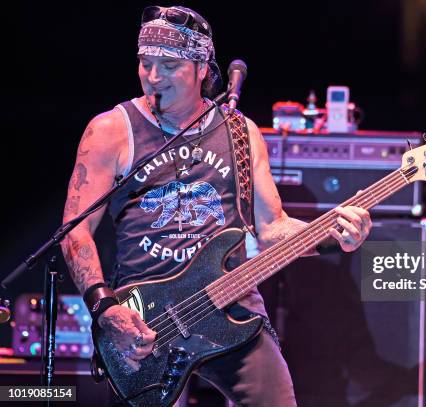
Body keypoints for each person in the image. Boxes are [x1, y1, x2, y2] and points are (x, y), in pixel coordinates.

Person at [60, 5, 372, 406]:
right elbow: (74, 227)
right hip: (145, 319)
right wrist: (104, 307)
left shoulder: (241, 132)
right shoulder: (111, 131)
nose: (154, 77)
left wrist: (333, 233)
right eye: (145, 63)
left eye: (169, 65)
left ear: (202, 67)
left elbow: (272, 227)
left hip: (230, 303)